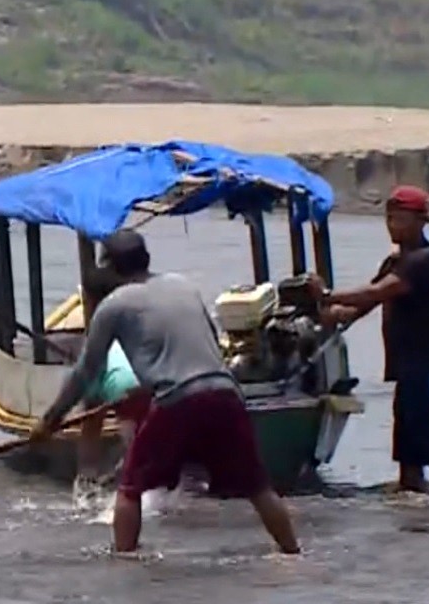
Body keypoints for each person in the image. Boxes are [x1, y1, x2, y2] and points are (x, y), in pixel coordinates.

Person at [28, 229, 300, 555]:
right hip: (226, 393)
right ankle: (292, 554)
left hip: (178, 400)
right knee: (258, 487)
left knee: (129, 488)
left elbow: (86, 371)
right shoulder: (183, 286)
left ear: (110, 268)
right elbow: (209, 345)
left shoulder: (113, 305)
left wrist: (49, 420)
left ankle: (124, 559)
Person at [313, 185, 429, 497]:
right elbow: (364, 305)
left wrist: (327, 295)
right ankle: (412, 513)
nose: (392, 225)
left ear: (420, 221)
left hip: (428, 367)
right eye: (389, 219)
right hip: (406, 368)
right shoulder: (394, 262)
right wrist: (332, 314)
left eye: (399, 219)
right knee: (408, 448)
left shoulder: (425, 261)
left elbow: (378, 292)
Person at [68, 264, 149, 492]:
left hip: (130, 395)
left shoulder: (97, 347)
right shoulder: (145, 326)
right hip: (163, 385)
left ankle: (93, 485)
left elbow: (91, 424)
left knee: (134, 468)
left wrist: (86, 475)